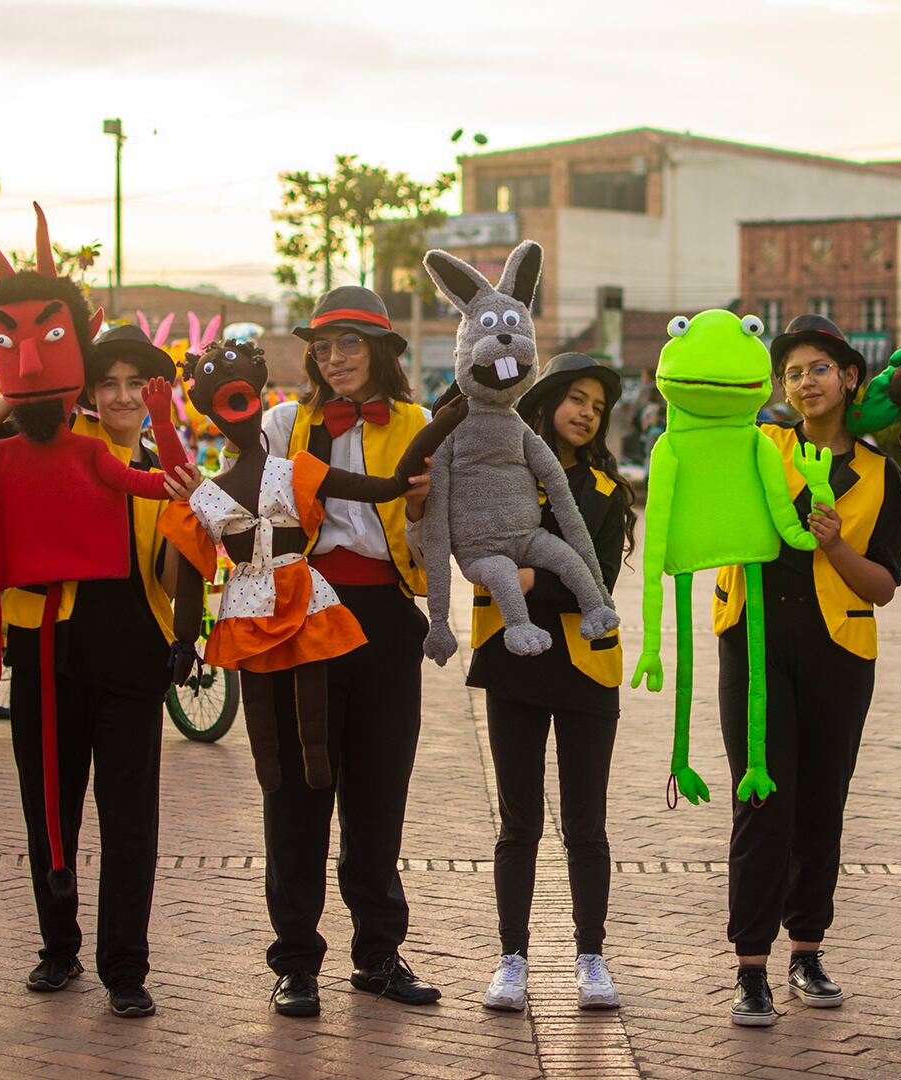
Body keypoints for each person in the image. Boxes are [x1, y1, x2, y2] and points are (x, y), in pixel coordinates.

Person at [0, 323, 194, 1018]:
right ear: (83, 390)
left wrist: (189, 511)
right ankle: (58, 948)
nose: (119, 396)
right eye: (105, 383)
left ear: (156, 395)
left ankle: (125, 967)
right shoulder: (40, 449)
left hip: (134, 658)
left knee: (129, 818)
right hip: (48, 653)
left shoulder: (166, 465)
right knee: (48, 809)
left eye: (134, 385)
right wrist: (20, 389)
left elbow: (174, 579)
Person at [711, 314, 901, 1026]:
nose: (805, 382)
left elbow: (883, 584)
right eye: (792, 372)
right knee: (761, 802)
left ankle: (807, 950)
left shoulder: (881, 473)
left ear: (849, 377)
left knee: (821, 806)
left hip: (838, 652)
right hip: (753, 645)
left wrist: (835, 546)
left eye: (818, 368)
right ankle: (751, 966)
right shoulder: (760, 445)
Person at [255, 287, 441, 1017]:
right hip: (301, 613)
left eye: (351, 346)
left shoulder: (421, 425)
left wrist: (423, 512)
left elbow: (431, 546)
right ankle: (296, 961)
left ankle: (378, 954)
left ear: (384, 353)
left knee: (378, 788)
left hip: (386, 617)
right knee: (297, 793)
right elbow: (260, 519)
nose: (334, 361)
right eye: (324, 348)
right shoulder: (281, 421)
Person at [468, 353, 634, 1014]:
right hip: (514, 662)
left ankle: (591, 957)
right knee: (519, 824)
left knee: (585, 824)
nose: (587, 411)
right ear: (545, 401)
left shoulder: (606, 492)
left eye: (597, 403)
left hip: (589, 668)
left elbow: (598, 587)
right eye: (576, 397)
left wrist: (529, 576)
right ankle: (512, 959)